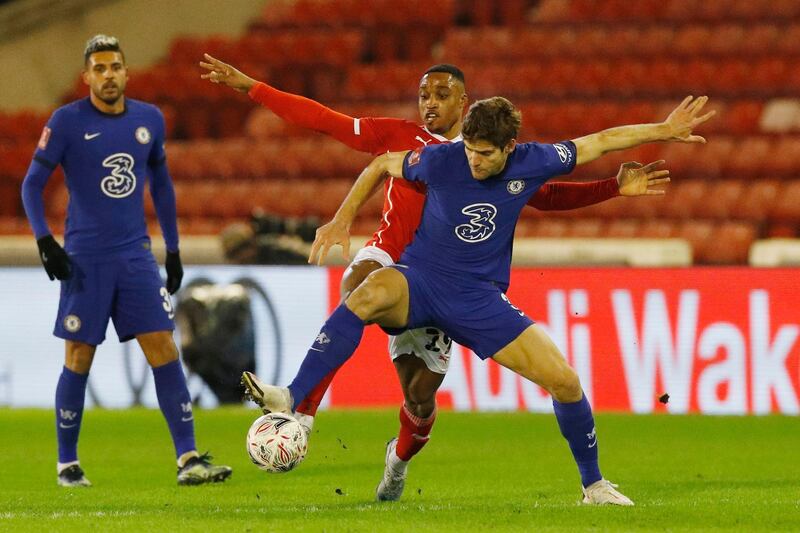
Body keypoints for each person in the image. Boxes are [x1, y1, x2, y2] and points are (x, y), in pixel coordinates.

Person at [239, 94, 714, 504]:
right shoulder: (442, 160)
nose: (474, 161)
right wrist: (343, 218)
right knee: (367, 293)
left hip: (477, 300)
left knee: (565, 382)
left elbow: (601, 142)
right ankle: (294, 397)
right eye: (469, 149)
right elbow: (382, 164)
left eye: (485, 154)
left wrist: (664, 131)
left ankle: (594, 486)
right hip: (420, 280)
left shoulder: (535, 160)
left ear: (510, 147)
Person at [200, 57, 656, 441]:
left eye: (441, 95)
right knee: (357, 286)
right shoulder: (400, 137)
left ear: (464, 101)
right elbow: (321, 119)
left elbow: (549, 196)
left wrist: (611, 190)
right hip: (395, 258)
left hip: (455, 278)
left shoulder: (487, 154)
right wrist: (253, 88)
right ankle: (302, 409)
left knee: (419, 393)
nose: (430, 104)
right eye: (423, 95)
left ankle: (399, 460)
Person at [20, 35, 232, 487]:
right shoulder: (66, 121)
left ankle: (189, 458)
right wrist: (45, 241)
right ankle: (67, 464)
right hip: (85, 259)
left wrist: (172, 249)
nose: (108, 75)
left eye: (115, 66)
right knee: (78, 355)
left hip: (134, 256)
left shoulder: (148, 119)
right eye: (99, 69)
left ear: (126, 72)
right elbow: (31, 185)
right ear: (87, 77)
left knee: (164, 347)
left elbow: (163, 186)